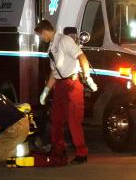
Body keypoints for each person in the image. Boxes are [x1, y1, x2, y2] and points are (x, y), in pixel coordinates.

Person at [35, 20, 97, 165]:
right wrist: (46, 90)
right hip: (61, 85)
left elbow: (82, 57)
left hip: (72, 83)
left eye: (40, 35)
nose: (40, 38)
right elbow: (54, 72)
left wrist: (87, 78)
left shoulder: (65, 40)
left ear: (45, 32)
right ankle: (58, 149)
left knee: (73, 120)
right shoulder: (51, 47)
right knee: (56, 119)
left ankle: (81, 153)